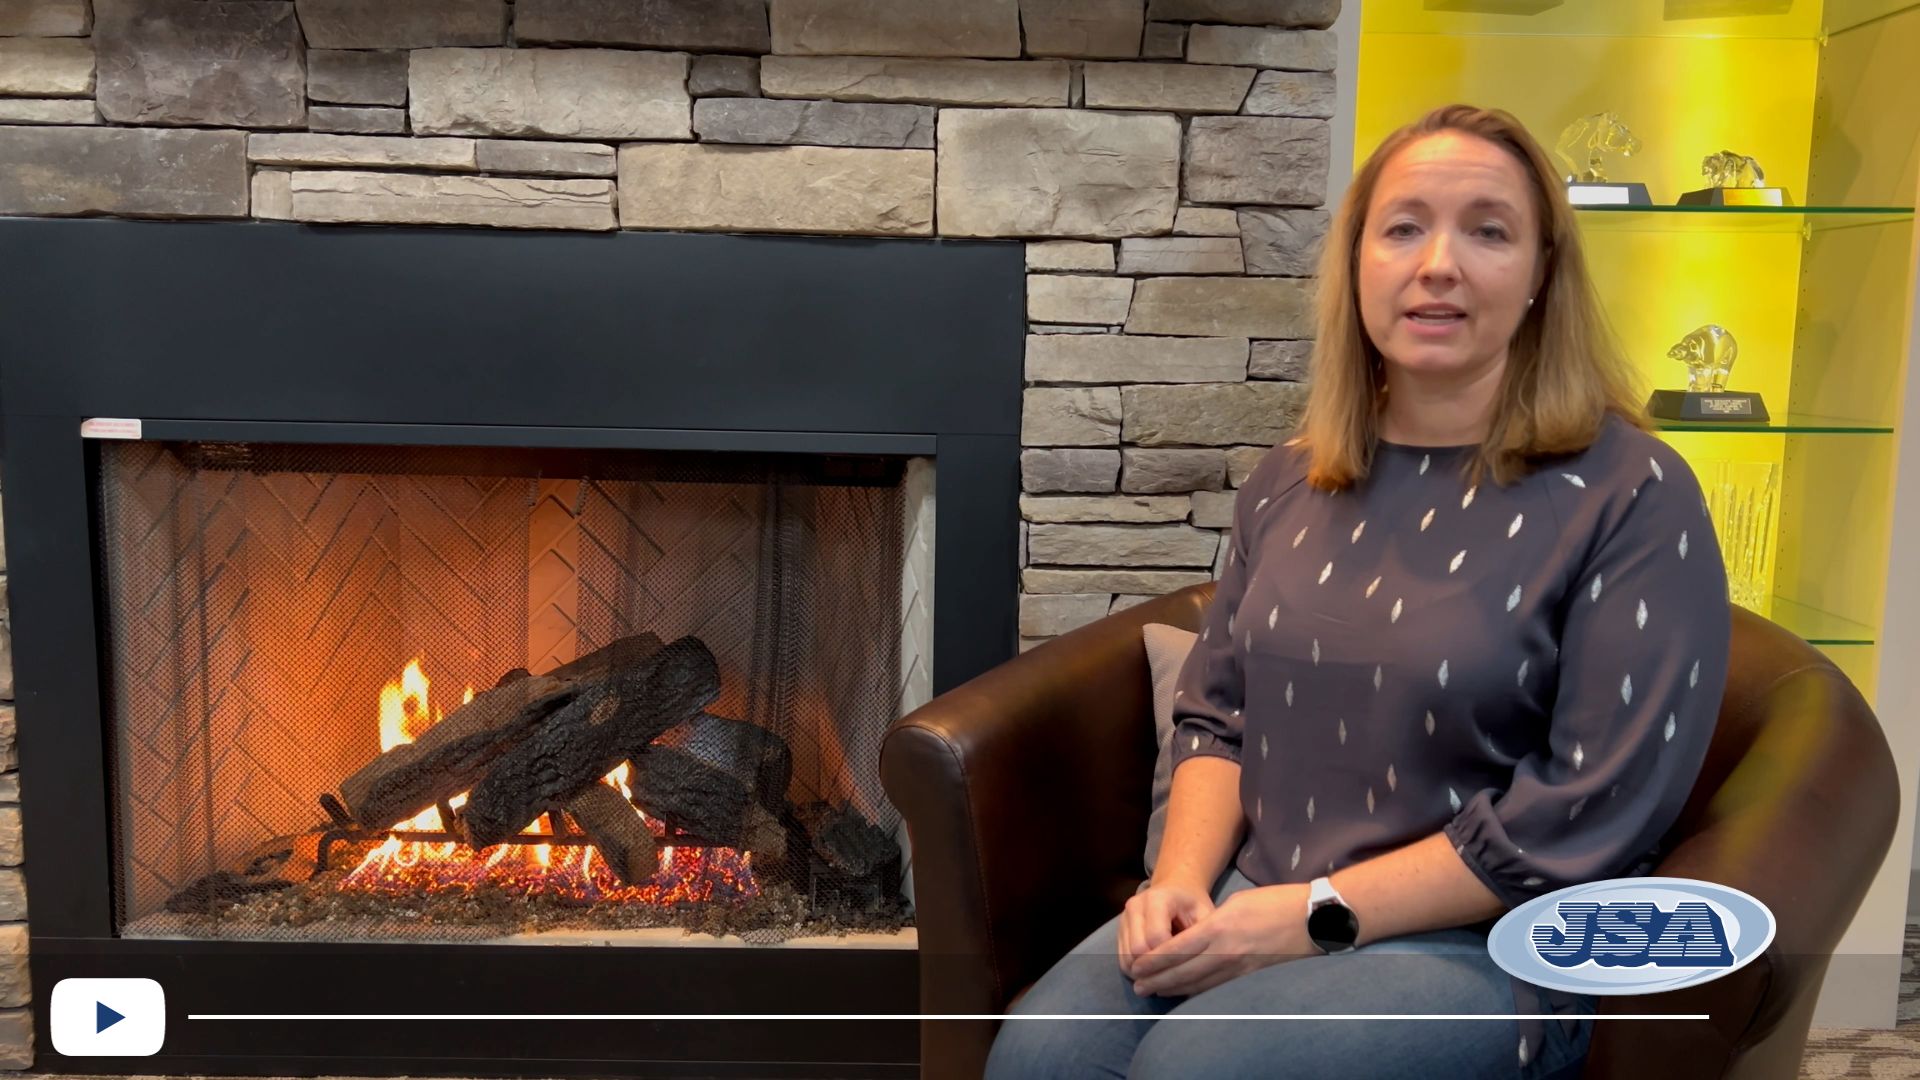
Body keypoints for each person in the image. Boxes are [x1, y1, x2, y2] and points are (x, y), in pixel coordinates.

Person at [983, 103, 1732, 1080]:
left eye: (1489, 230)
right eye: (1405, 226)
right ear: (1357, 263)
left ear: (1544, 271)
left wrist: (1312, 917)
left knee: (1197, 1074)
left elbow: (1583, 816)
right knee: (1038, 1059)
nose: (1439, 265)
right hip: (1252, 892)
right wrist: (1177, 883)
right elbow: (1218, 719)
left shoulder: (1635, 494)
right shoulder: (1291, 478)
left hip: (1479, 937)